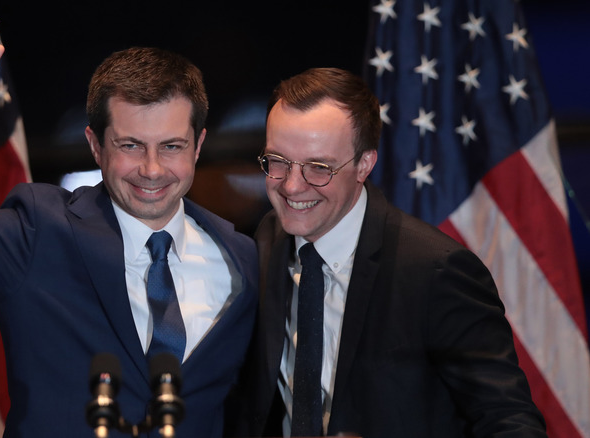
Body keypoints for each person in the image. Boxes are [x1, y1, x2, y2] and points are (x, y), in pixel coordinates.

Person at [0, 13, 257, 438]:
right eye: (130, 146)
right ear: (95, 146)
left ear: (198, 147)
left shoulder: (241, 258)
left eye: (171, 146)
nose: (152, 170)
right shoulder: (37, 232)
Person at [233, 68, 547, 437]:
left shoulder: (436, 272)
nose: (291, 186)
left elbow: (510, 422)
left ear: (364, 164)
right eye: (278, 161)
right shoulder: (266, 241)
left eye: (318, 167)